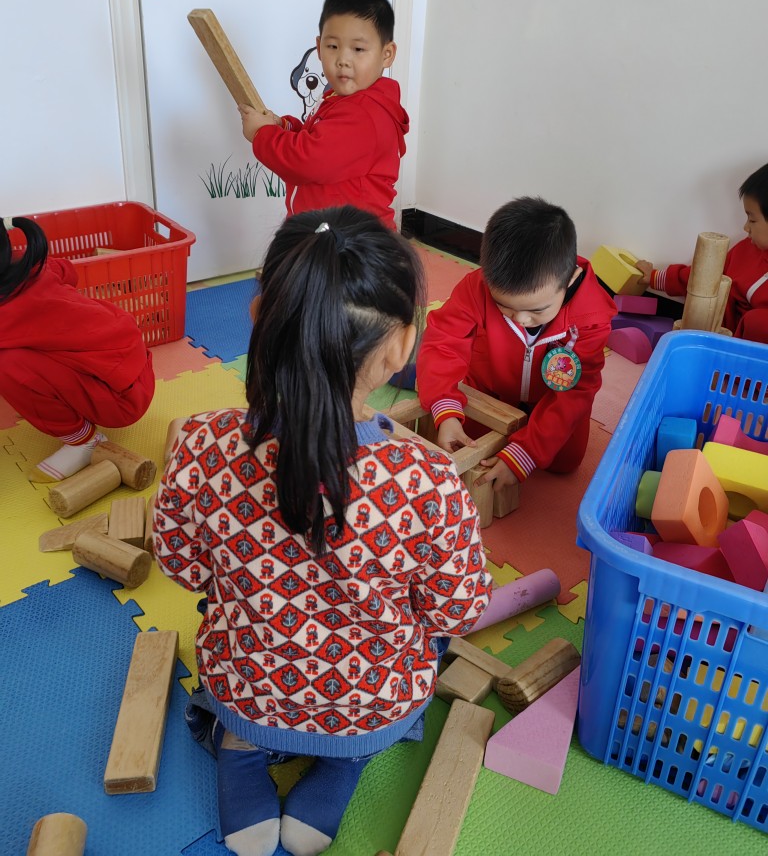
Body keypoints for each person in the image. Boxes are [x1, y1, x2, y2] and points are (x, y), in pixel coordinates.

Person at [154, 206, 491, 856]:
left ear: (259, 315)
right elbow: (459, 608)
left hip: (247, 687)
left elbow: (183, 569)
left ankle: (241, 747)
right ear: (401, 346)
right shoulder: (429, 482)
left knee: (230, 636)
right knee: (431, 633)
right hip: (369, 704)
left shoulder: (199, 444)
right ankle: (346, 758)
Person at [416, 197, 617, 489]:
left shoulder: (590, 318)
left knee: (565, 462)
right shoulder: (476, 287)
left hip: (551, 397)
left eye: (537, 310)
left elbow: (576, 392)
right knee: (463, 440)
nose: (521, 319)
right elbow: (443, 342)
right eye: (504, 306)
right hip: (490, 390)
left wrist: (526, 453)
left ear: (570, 279)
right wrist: (444, 408)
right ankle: (425, 383)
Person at [238, 0, 408, 230]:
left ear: (386, 54)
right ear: (318, 48)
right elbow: (319, 139)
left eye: (358, 49)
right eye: (333, 47)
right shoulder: (341, 99)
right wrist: (283, 126)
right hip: (328, 234)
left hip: (351, 244)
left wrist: (262, 134)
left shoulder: (364, 114)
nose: (343, 60)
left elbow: (306, 161)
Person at [0, 216, 154, 481]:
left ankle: (83, 441)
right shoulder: (31, 265)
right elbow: (68, 271)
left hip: (120, 399)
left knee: (8, 365)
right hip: (134, 362)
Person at [637, 163, 768, 342]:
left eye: (752, 220)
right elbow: (705, 276)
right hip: (717, 335)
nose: (746, 227)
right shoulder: (746, 250)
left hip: (749, 351)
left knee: (757, 322)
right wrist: (655, 277)